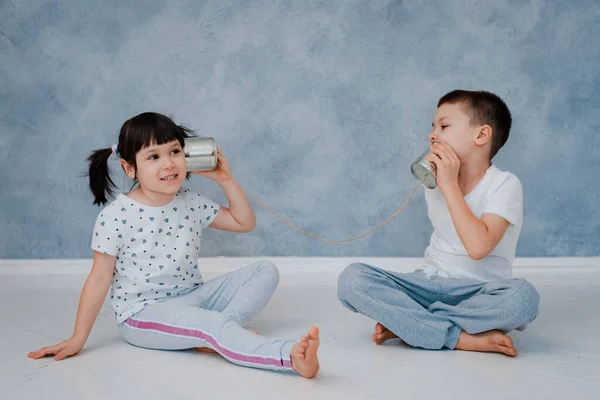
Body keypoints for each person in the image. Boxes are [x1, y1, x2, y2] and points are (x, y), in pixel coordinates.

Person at [28, 112, 320, 378]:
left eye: (175, 152)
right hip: (144, 313)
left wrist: (225, 180)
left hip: (193, 295)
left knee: (265, 270)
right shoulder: (116, 216)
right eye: (153, 157)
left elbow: (244, 223)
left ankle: (215, 334)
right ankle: (287, 357)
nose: (168, 163)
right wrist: (78, 338)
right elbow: (99, 278)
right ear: (130, 169)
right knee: (211, 326)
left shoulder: (189, 201)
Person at [337, 90, 540, 356]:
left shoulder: (504, 184)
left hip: (480, 293)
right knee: (352, 279)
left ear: (481, 135)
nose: (433, 135)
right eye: (433, 127)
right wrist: (444, 184)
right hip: (428, 285)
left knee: (524, 299)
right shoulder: (433, 185)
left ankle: (413, 324)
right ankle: (458, 337)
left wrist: (449, 186)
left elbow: (478, 248)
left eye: (444, 126)